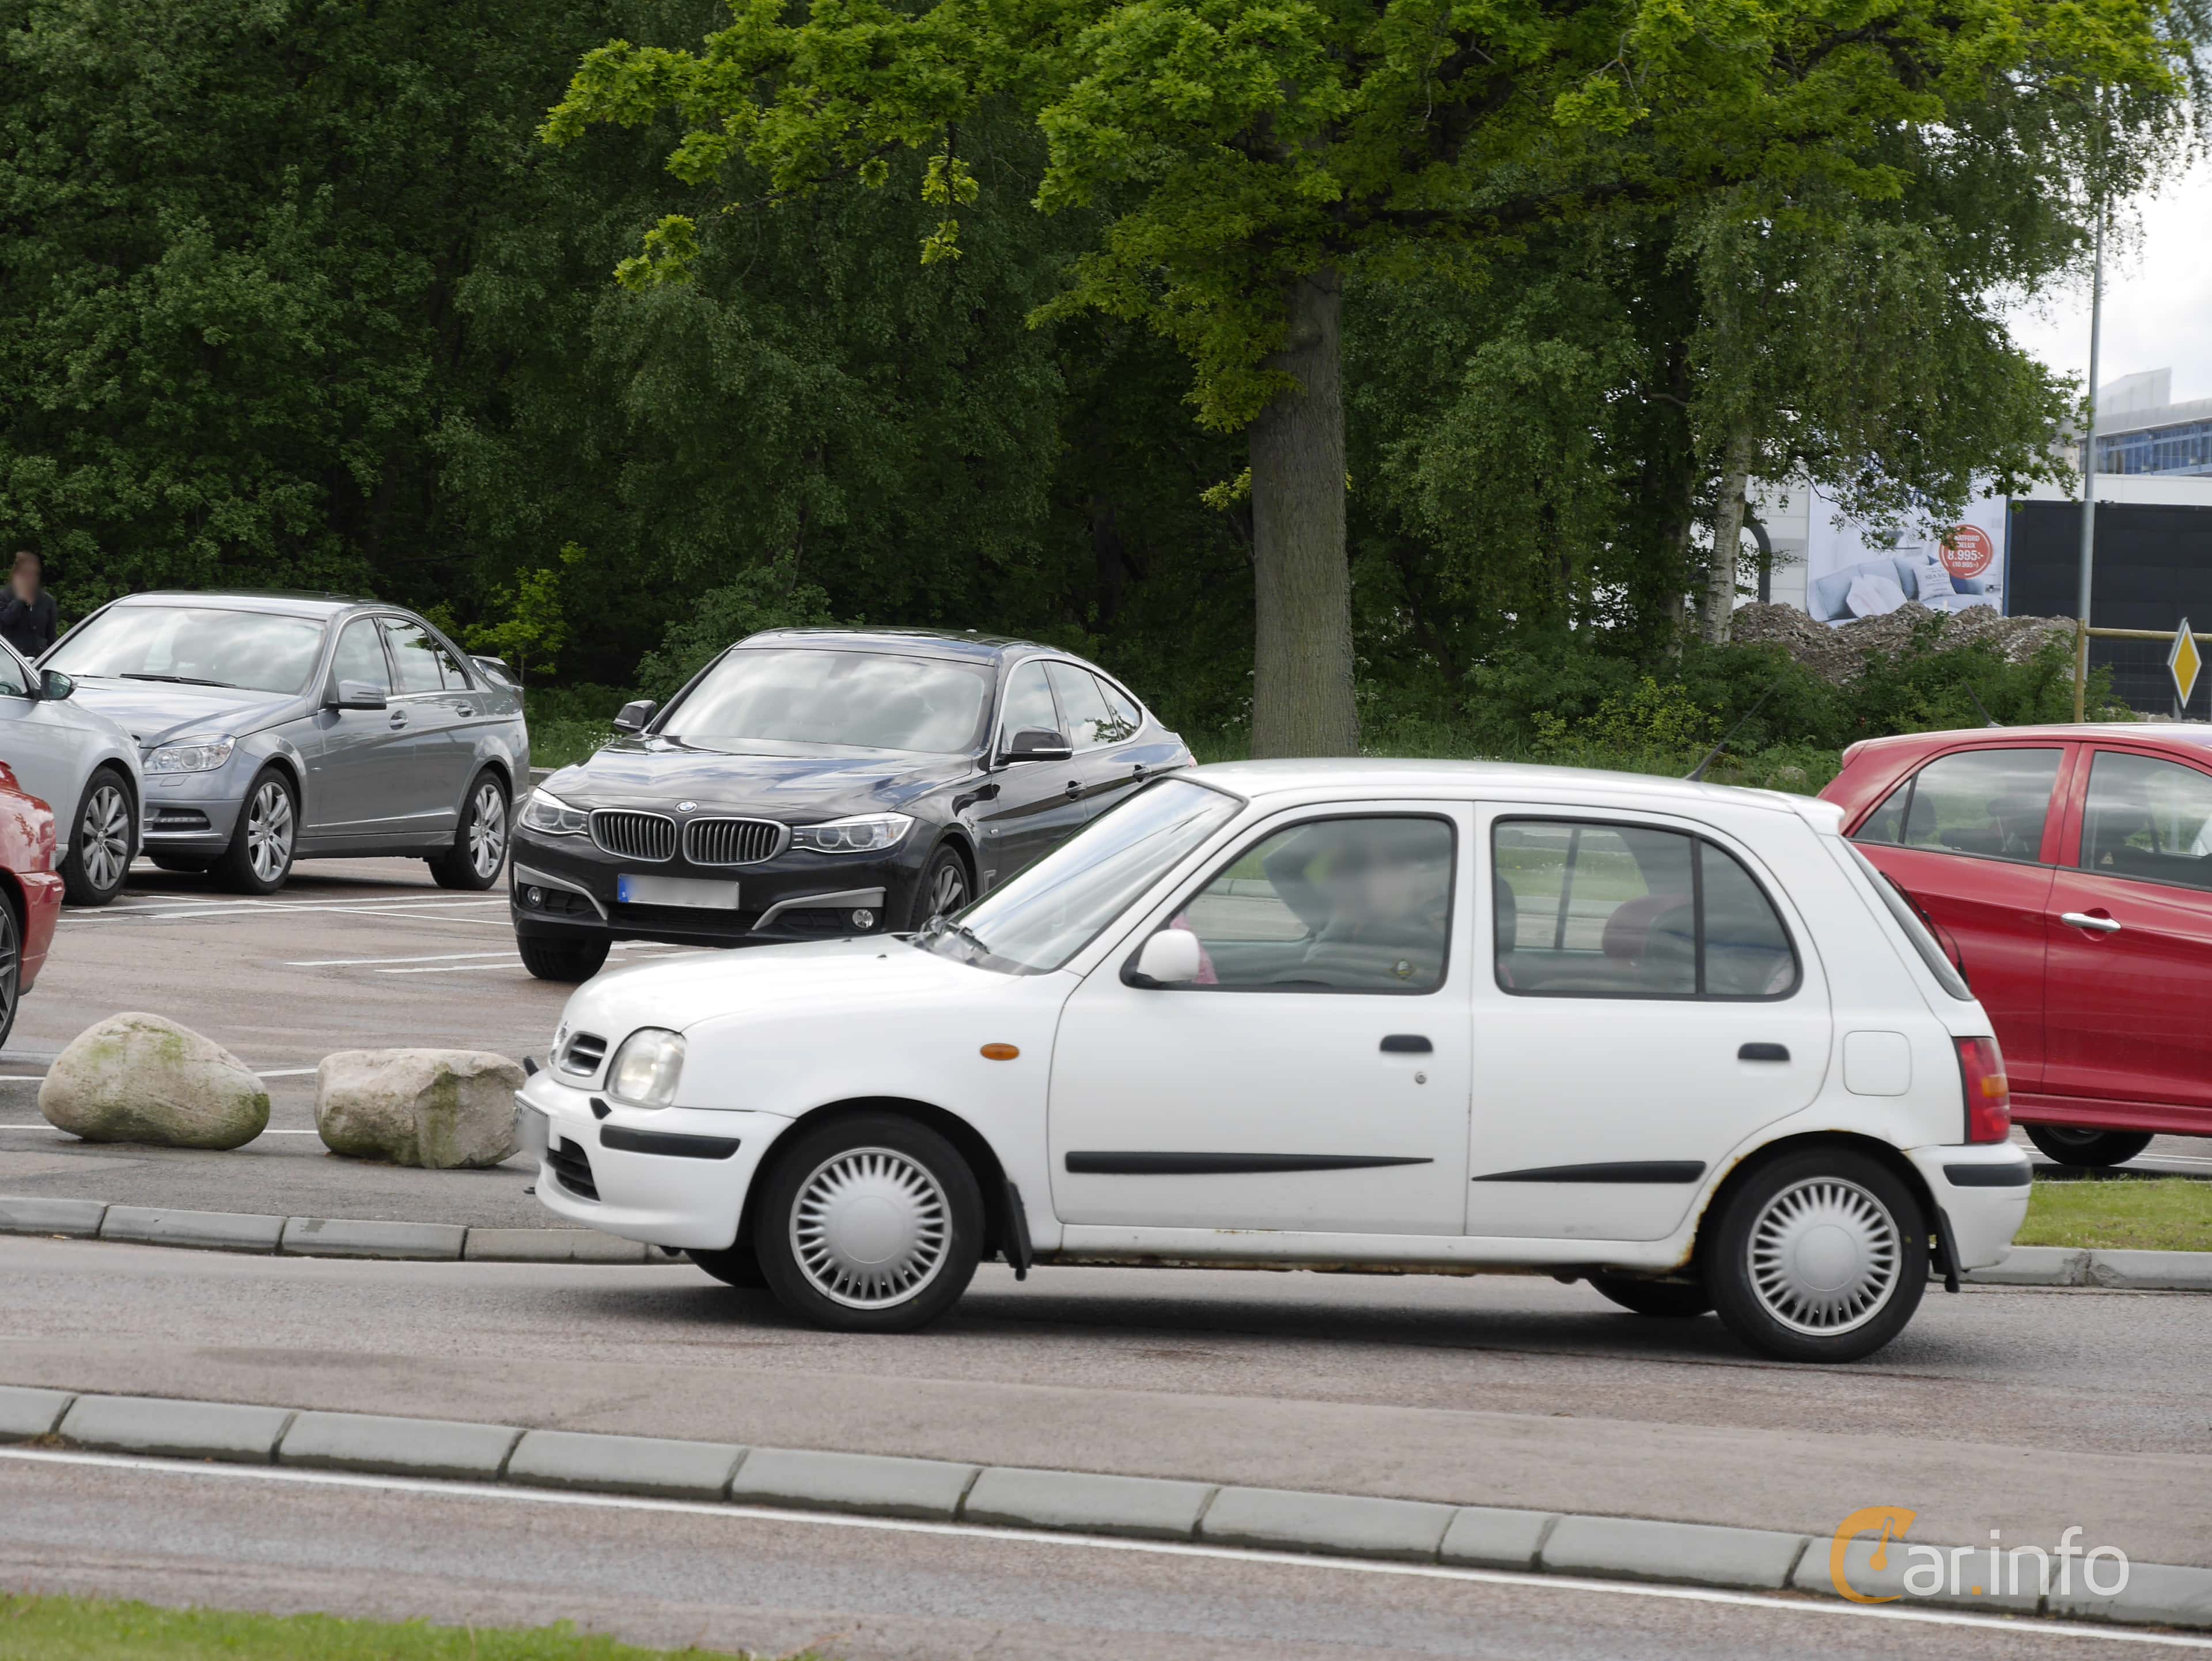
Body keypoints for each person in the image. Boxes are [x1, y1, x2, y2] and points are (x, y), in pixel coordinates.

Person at [0, 553, 58, 660]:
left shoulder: (47, 601)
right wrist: (21, 599)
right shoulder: (4, 597)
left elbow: (52, 637)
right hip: (12, 659)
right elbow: (6, 620)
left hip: (40, 659)